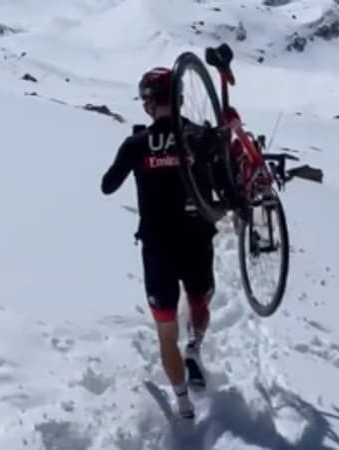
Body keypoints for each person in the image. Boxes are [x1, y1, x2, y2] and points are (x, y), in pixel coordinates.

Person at [100, 66, 219, 419]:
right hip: (197, 238)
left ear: (149, 104)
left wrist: (140, 156)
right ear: (180, 98)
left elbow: (108, 185)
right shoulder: (200, 137)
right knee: (201, 298)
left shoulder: (137, 144)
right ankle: (195, 346)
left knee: (165, 328)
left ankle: (182, 402)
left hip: (157, 248)